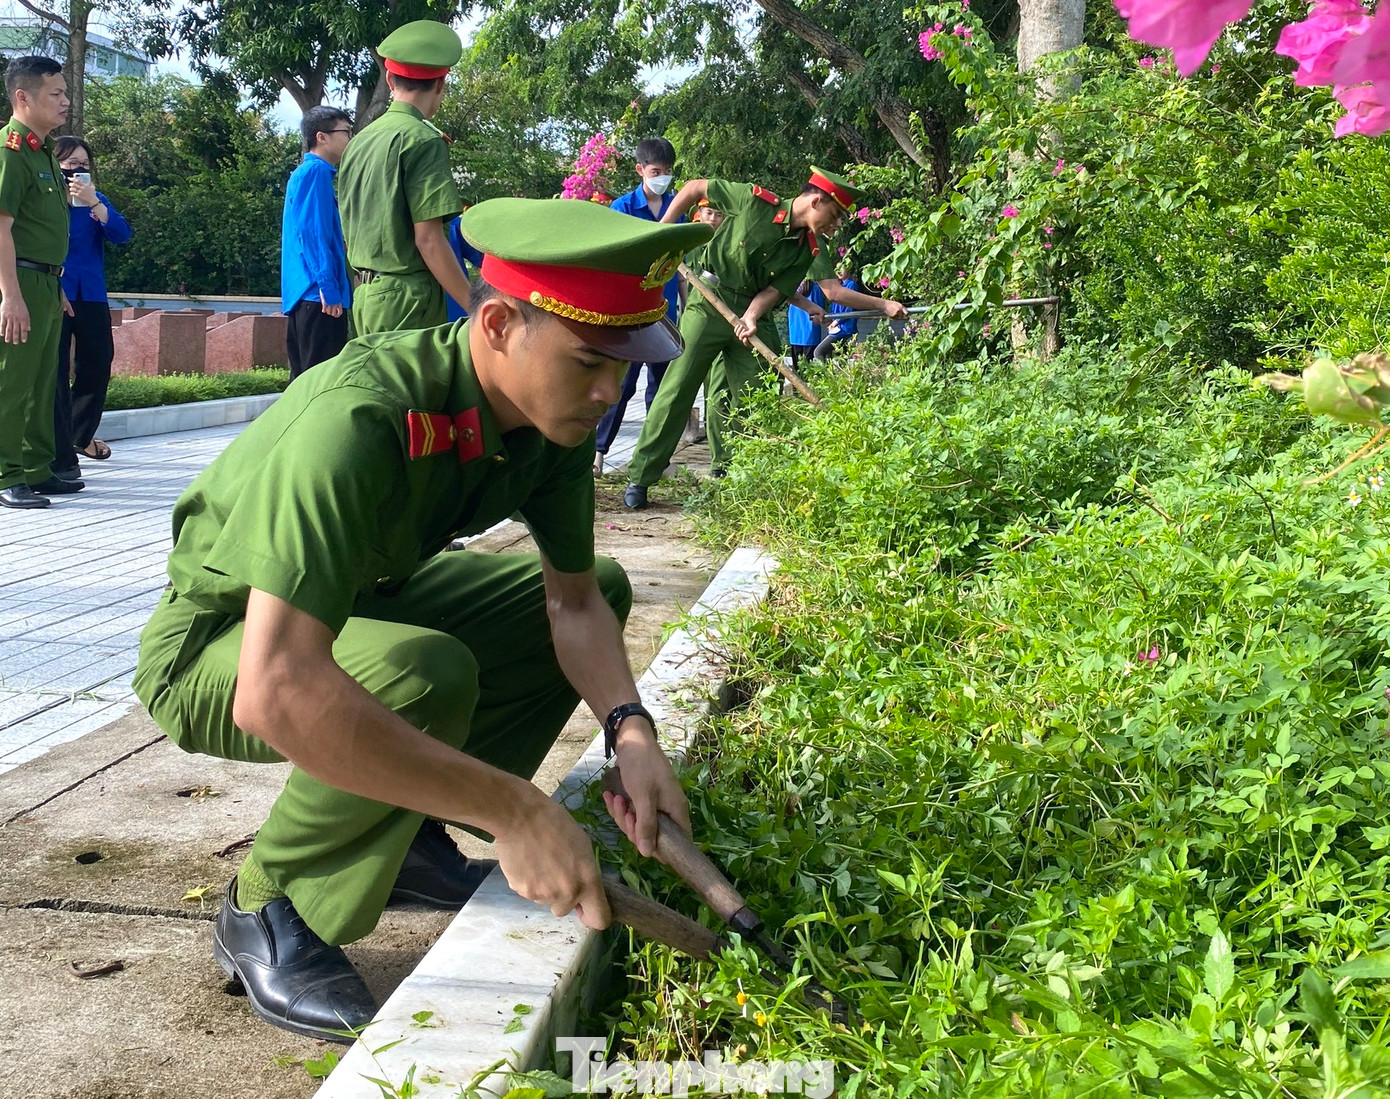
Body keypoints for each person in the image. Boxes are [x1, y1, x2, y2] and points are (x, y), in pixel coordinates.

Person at [131, 197, 712, 1042]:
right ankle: (267, 904)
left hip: (353, 607)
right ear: (499, 325)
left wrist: (632, 732)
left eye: (624, 367)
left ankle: (400, 830)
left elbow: (575, 601)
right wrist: (515, 811)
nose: (608, 393)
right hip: (216, 643)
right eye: (590, 360)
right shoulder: (359, 416)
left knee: (605, 584)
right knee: (424, 675)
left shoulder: (549, 424)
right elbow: (277, 687)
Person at [624, 168, 902, 509]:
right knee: (677, 388)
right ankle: (641, 477)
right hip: (709, 302)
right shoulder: (754, 201)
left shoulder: (808, 249)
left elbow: (774, 289)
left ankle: (740, 477)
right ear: (816, 201)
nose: (835, 225)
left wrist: (752, 316)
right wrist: (663, 233)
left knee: (756, 397)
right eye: (834, 216)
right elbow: (695, 188)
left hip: (751, 315)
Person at [337, 20, 472, 335]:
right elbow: (429, 240)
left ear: (389, 79)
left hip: (365, 297)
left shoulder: (358, 142)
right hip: (410, 301)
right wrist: (475, 306)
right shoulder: (422, 140)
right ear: (440, 84)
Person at [0, 56, 75, 510]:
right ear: (23, 97)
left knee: (43, 381)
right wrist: (10, 296)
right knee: (12, 381)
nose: (65, 101)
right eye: (56, 94)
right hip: (20, 281)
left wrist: (56, 286)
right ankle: (6, 474)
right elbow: (1, 226)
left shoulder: (43, 150)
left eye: (65, 92)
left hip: (46, 281)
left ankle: (35, 468)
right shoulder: (10, 151)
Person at [592, 137, 684, 476]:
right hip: (628, 315)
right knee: (621, 386)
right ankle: (598, 454)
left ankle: (653, 459)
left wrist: (685, 303)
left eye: (668, 171)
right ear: (640, 170)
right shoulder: (624, 208)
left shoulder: (678, 207)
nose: (663, 178)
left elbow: (682, 265)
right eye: (656, 171)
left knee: (661, 391)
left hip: (664, 313)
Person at [47, 136, 130, 482]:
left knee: (97, 362)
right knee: (54, 371)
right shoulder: (46, 200)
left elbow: (121, 234)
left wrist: (94, 202)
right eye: (70, 165)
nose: (77, 171)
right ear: (55, 166)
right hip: (55, 293)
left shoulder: (96, 201)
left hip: (91, 293)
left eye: (83, 165)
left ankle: (78, 436)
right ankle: (59, 450)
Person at [281, 106, 353, 380]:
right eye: (346, 132)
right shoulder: (316, 173)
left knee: (304, 383)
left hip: (308, 296)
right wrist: (329, 288)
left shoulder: (308, 173)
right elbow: (313, 235)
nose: (350, 138)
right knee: (320, 384)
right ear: (321, 137)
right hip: (319, 297)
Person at [444, 209, 484, 322]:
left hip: (458, 315)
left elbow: (486, 258)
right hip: (459, 315)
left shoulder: (453, 226)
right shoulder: (452, 225)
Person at [786, 278, 825, 369]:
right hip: (810, 331)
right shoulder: (815, 288)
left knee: (797, 367)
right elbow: (820, 310)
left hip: (795, 331)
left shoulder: (792, 288)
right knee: (809, 368)